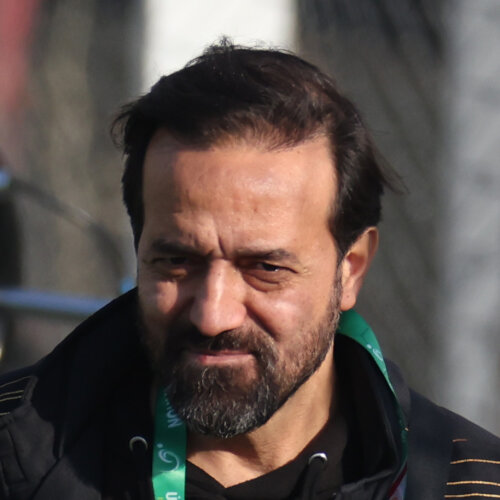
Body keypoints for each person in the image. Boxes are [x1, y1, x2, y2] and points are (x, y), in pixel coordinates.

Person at [0, 41, 499, 500]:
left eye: (265, 268)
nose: (213, 315)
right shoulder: (15, 454)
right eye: (177, 262)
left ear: (350, 270)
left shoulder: (469, 486)